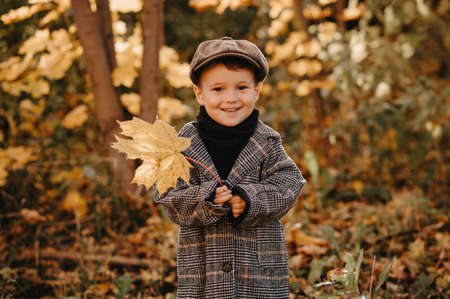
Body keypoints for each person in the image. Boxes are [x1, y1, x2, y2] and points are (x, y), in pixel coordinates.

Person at [154, 36, 306, 299]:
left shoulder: (266, 141)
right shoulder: (184, 144)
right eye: (218, 89)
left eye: (242, 87)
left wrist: (250, 199)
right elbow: (167, 194)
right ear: (199, 93)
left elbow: (289, 183)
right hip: (203, 270)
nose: (231, 99)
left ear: (257, 90)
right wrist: (207, 197)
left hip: (257, 270)